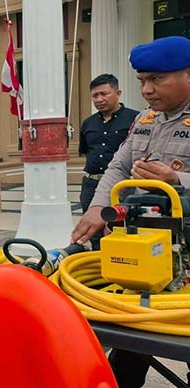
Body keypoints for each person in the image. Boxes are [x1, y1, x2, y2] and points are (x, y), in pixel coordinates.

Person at [70, 36, 190, 388]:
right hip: (146, 244)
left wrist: (177, 179)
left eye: (156, 79)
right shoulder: (146, 119)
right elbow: (118, 168)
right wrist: (97, 208)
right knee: (132, 328)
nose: (147, 90)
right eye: (141, 81)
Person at [78, 74, 139, 250]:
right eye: (95, 96)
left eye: (104, 94)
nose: (99, 99)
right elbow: (85, 151)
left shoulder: (136, 119)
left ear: (118, 93)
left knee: (122, 228)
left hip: (123, 186)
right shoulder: (88, 123)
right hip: (91, 185)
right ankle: (99, 264)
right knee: (93, 229)